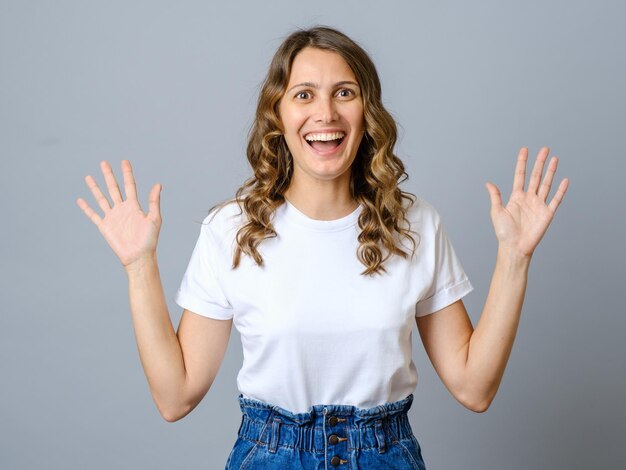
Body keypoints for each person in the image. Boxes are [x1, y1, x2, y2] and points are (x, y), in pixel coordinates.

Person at [76, 26, 569, 470]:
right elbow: (175, 396)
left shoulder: (414, 224)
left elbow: (474, 387)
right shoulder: (230, 228)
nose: (325, 113)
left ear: (367, 111)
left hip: (385, 456)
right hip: (270, 456)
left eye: (344, 93)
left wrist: (515, 258)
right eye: (304, 94)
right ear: (279, 114)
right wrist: (139, 266)